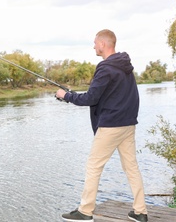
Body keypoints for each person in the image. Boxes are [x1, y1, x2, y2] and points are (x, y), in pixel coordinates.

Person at [55, 29, 148, 222]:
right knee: (132, 168)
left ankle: (85, 211)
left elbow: (91, 98)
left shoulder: (105, 67)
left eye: (95, 43)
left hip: (111, 126)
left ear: (103, 44)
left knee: (93, 166)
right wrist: (72, 94)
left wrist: (66, 96)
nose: (94, 46)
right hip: (128, 124)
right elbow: (115, 96)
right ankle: (140, 211)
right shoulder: (125, 67)